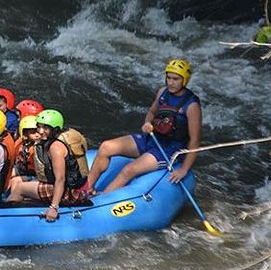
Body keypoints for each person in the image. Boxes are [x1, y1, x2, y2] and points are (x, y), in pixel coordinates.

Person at [85, 59, 202, 194]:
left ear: (185, 80)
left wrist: (184, 169)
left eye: (175, 79)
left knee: (129, 170)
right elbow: (152, 112)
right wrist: (147, 123)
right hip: (152, 138)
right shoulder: (163, 92)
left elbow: (195, 140)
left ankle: (102, 199)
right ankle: (86, 190)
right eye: (168, 78)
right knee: (106, 147)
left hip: (171, 150)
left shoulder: (192, 105)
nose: (170, 82)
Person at [6, 109, 90, 222]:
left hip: (71, 193)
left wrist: (53, 207)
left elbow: (60, 179)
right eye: (39, 127)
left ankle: (7, 217)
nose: (40, 131)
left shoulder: (56, 147)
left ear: (55, 129)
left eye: (45, 128)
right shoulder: (62, 138)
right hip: (79, 188)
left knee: (20, 188)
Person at [8, 115, 40, 191]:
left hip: (35, 175)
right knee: (6, 175)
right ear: (25, 134)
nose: (37, 134)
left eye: (38, 131)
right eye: (33, 132)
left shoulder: (39, 147)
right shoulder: (20, 143)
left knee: (15, 181)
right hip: (22, 170)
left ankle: (13, 200)